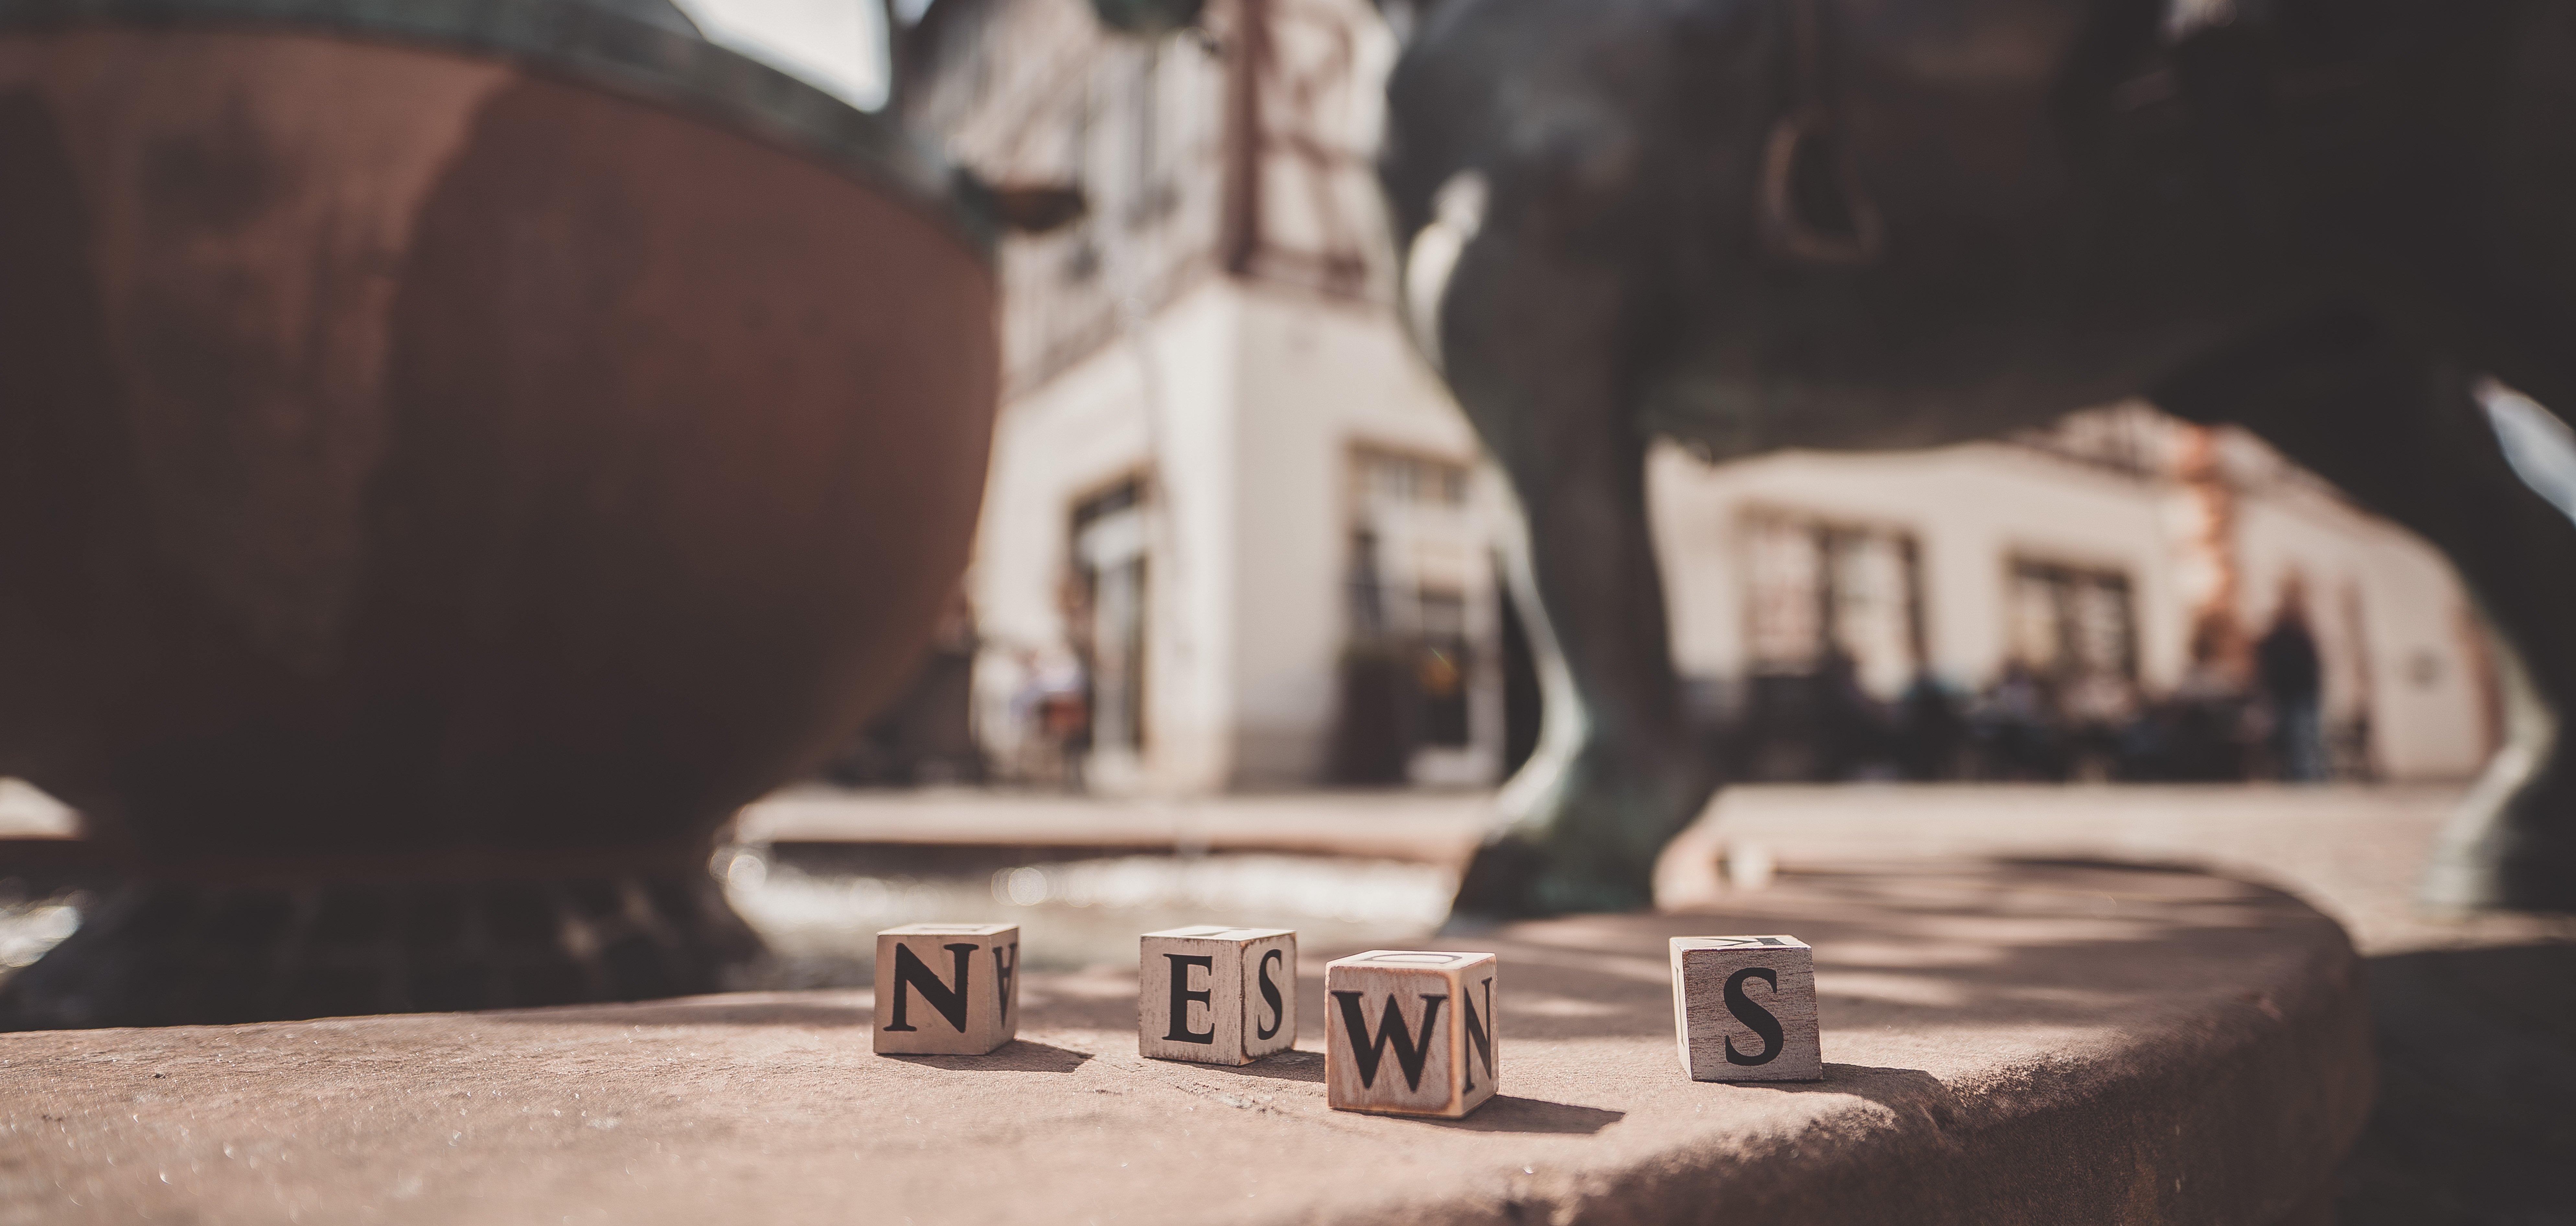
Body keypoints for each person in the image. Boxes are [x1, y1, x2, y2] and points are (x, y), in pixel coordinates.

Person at [2256, 578, 2327, 782]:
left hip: (2299, 695)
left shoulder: (2298, 635)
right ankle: (2301, 782)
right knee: (2296, 742)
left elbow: (2313, 667)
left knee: (2302, 742)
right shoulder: (2285, 636)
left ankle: (2306, 781)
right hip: (2291, 695)